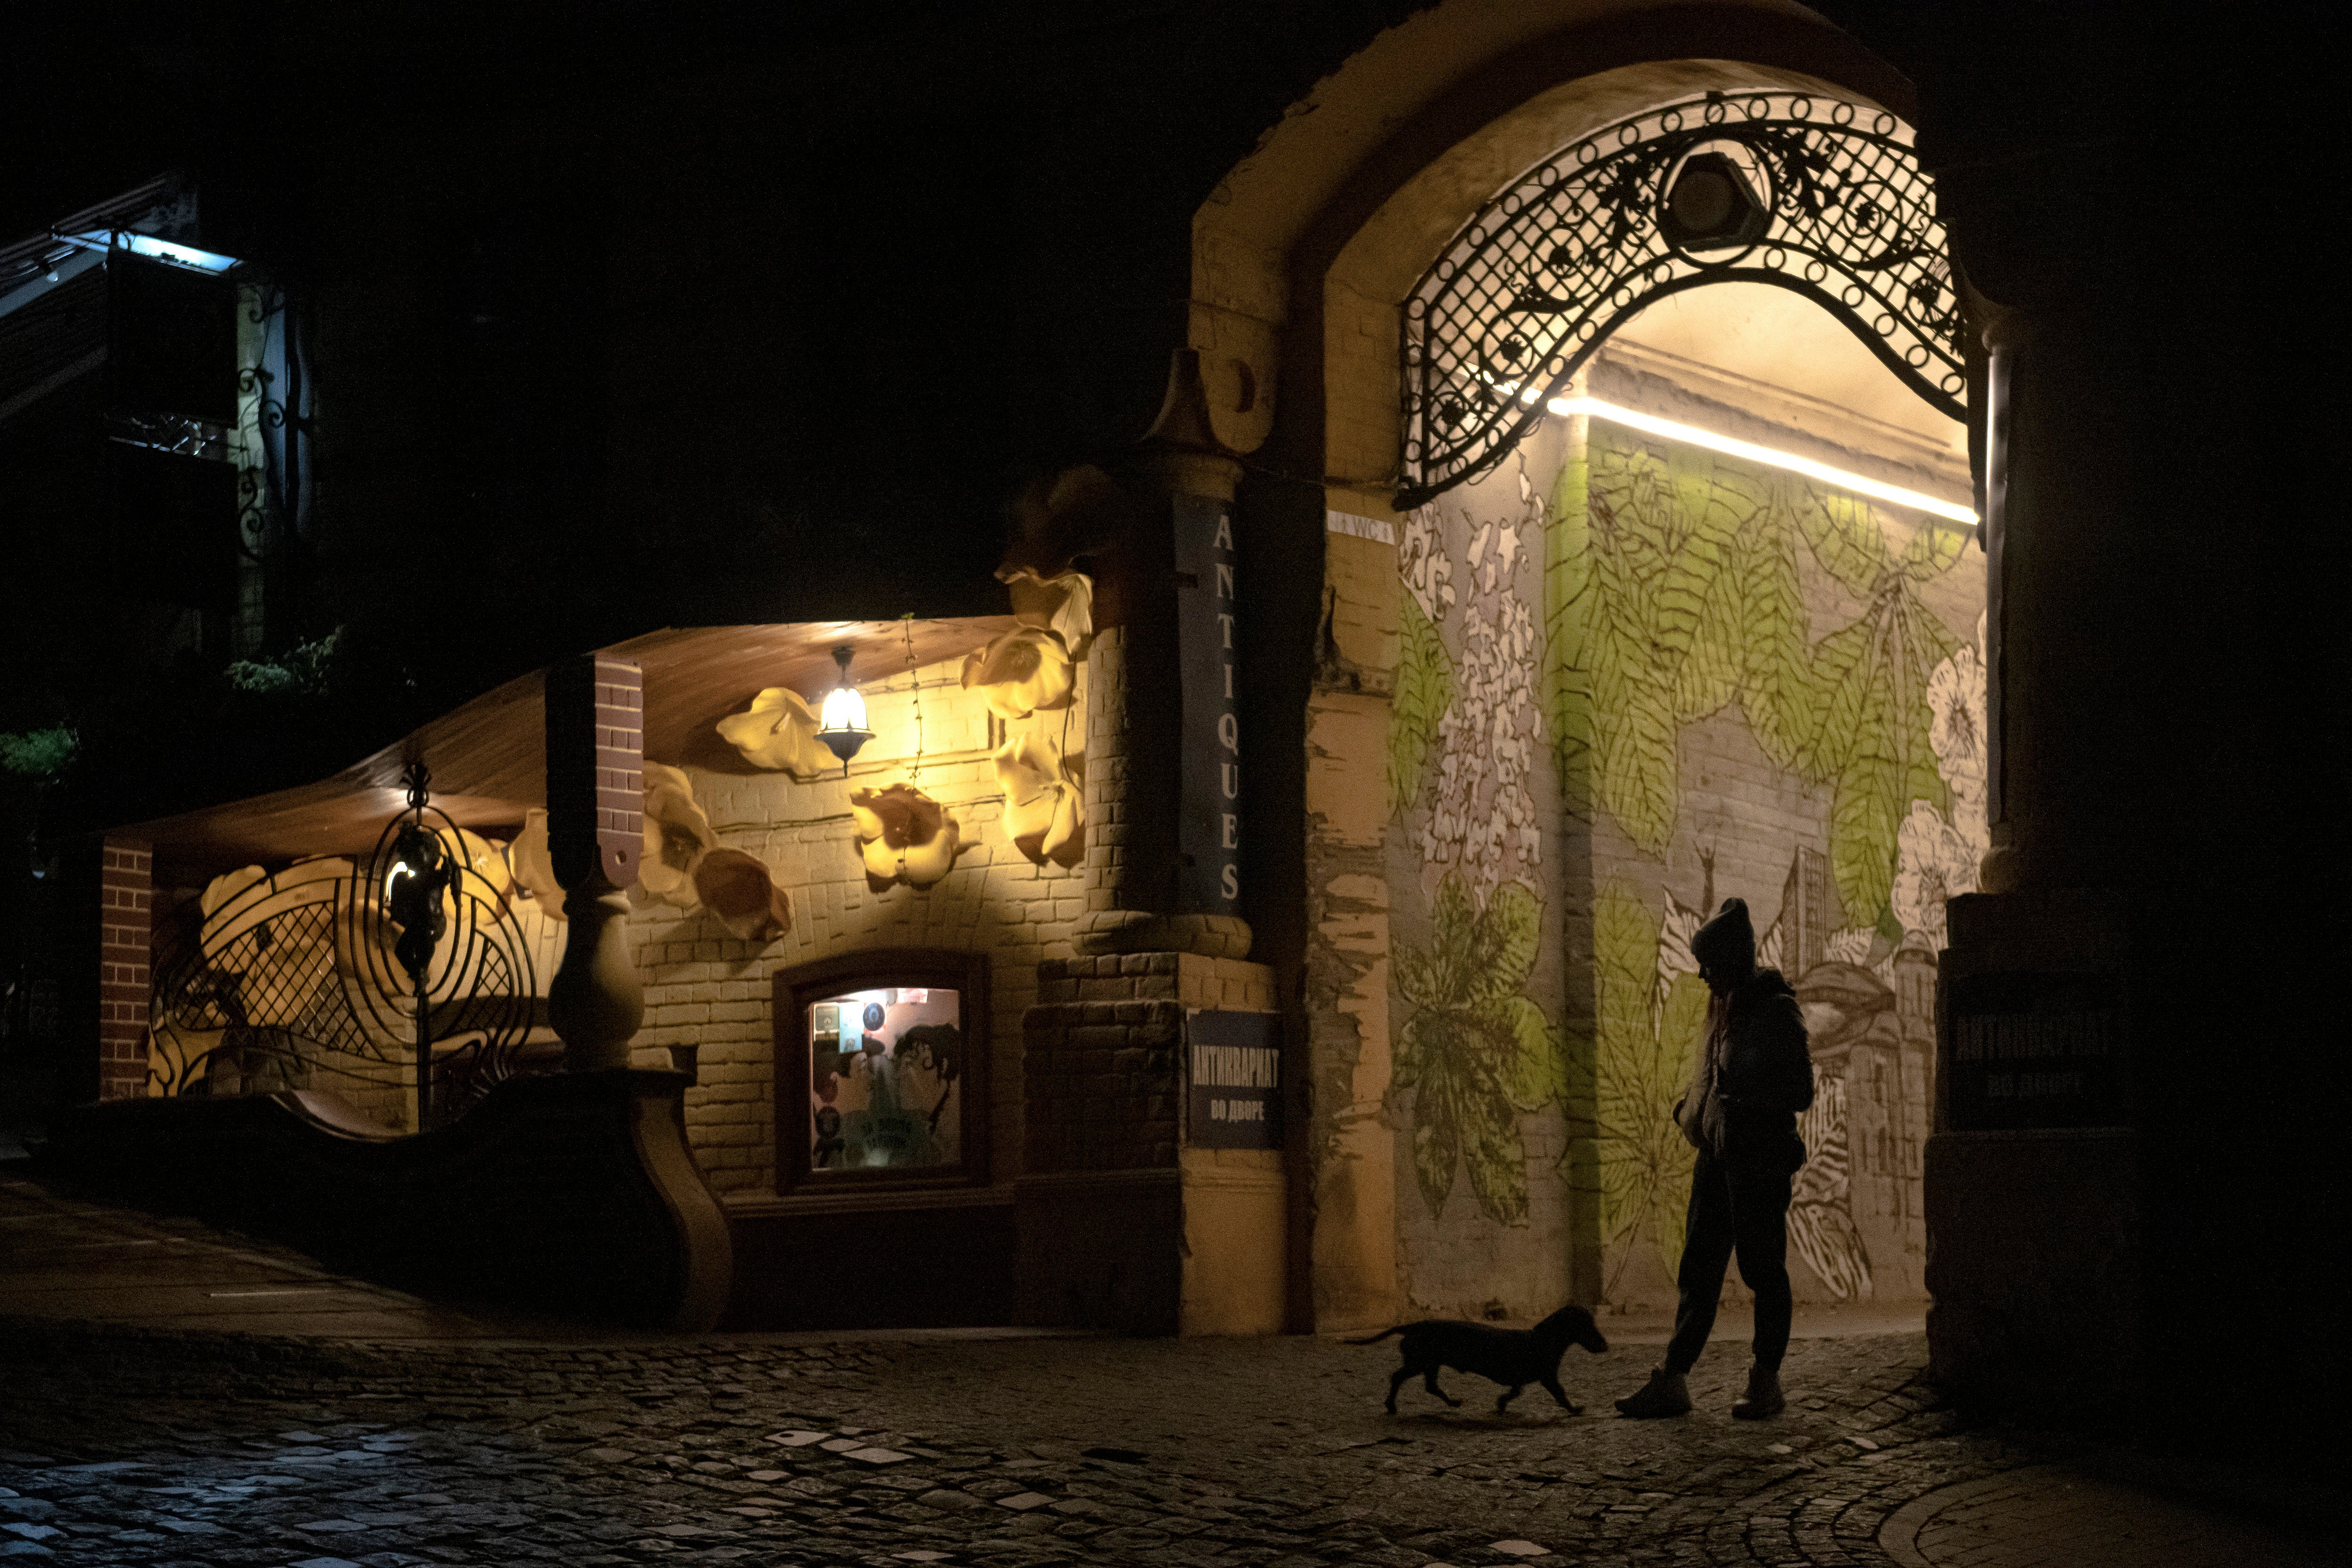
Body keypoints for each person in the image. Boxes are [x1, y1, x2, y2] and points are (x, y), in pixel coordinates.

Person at [1616, 896, 1815, 1420]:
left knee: (1762, 1271)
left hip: (1757, 1165)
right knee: (1698, 1272)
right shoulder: (1721, 1005)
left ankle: (1765, 1381)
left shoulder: (1776, 1011)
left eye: (1709, 964)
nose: (1701, 974)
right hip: (1716, 1162)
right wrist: (1692, 1112)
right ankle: (1673, 1380)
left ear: (1732, 960)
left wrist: (1744, 1104)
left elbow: (1800, 1091)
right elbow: (1711, 1078)